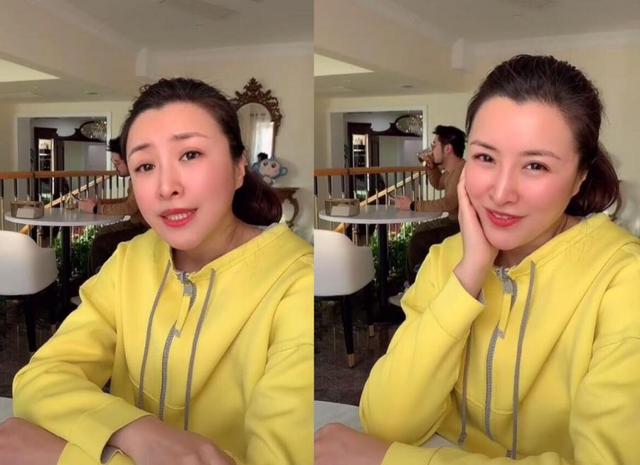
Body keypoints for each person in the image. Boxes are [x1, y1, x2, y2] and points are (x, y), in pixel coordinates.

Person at [315, 54, 640, 464]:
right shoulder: (446, 259)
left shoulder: (624, 279)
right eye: (486, 157)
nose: (501, 193)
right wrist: (469, 273)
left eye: (535, 165)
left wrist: (390, 460)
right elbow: (386, 422)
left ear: (580, 177)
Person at [3, 77, 313, 465]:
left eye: (191, 155)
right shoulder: (129, 261)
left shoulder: (298, 281)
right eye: (146, 165)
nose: (166, 187)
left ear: (238, 168)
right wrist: (137, 431)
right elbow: (40, 379)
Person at [395, 125, 466, 280]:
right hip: (453, 221)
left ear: (448, 149)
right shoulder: (451, 170)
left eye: (434, 145)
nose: (431, 149)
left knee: (418, 240)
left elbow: (449, 203)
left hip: (462, 226)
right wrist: (431, 167)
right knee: (419, 230)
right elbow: (438, 183)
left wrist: (413, 205)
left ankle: (413, 284)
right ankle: (417, 277)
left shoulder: (462, 171)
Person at [78, 136, 149, 275]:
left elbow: (130, 207)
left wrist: (96, 209)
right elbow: (128, 201)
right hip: (136, 224)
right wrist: (101, 202)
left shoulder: (141, 179)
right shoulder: (135, 177)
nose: (115, 167)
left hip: (145, 229)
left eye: (117, 163)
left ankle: (99, 282)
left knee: (100, 244)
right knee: (101, 234)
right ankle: (95, 279)